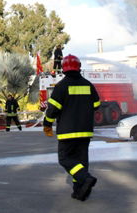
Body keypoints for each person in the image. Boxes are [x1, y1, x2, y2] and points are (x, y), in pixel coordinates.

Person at [43, 54, 100, 201]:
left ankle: (85, 178)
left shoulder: (61, 87)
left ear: (64, 68)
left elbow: (52, 110)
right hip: (85, 132)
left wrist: (47, 124)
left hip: (67, 133)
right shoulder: (88, 85)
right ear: (79, 67)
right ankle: (79, 191)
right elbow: (96, 105)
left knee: (65, 159)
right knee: (81, 161)